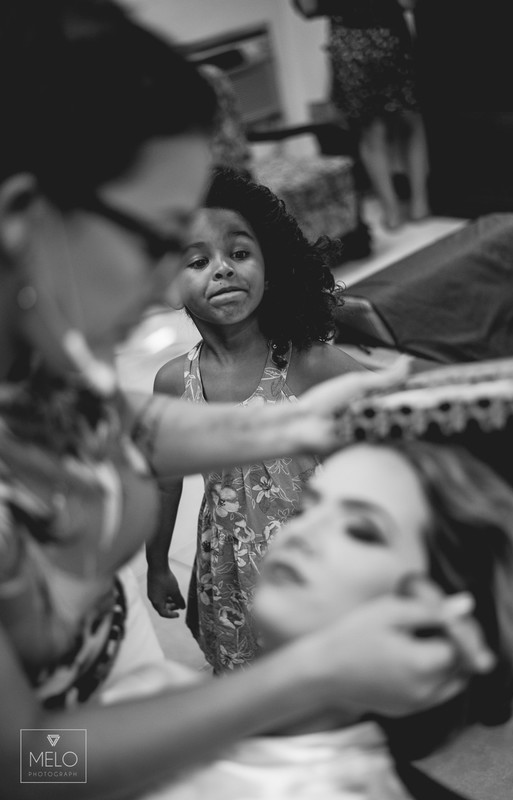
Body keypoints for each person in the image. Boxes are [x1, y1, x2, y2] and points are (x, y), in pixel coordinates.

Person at [0, 2, 494, 798]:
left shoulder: (42, 352)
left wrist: (299, 418)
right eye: (160, 241)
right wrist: (306, 675)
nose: (176, 285)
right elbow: (27, 764)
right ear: (25, 218)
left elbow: (124, 425)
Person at [145, 441, 513, 799]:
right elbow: (81, 762)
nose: (301, 533)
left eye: (361, 531)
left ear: (435, 611)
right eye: (305, 510)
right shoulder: (150, 698)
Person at [147, 168, 369, 672]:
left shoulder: (307, 362)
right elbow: (164, 484)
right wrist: (157, 563)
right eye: (198, 260)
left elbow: (384, 414)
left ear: (271, 267)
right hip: (229, 566)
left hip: (314, 562)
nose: (222, 270)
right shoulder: (172, 384)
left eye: (240, 254)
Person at [293, 0, 430, 230]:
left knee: (373, 132)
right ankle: (419, 205)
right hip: (389, 35)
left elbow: (308, 8)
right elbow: (407, 2)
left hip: (350, 43)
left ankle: (392, 212)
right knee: (409, 123)